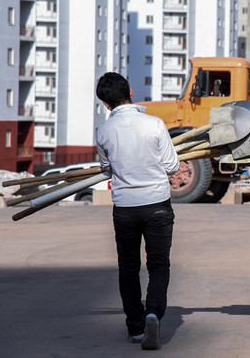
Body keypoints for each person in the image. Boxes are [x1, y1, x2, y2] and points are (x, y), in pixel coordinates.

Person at [96, 72, 180, 350]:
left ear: (106, 105)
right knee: (158, 264)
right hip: (156, 204)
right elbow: (172, 166)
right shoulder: (155, 124)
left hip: (124, 208)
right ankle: (154, 313)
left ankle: (135, 328)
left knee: (128, 267)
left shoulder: (104, 131)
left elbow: (105, 168)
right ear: (131, 91)